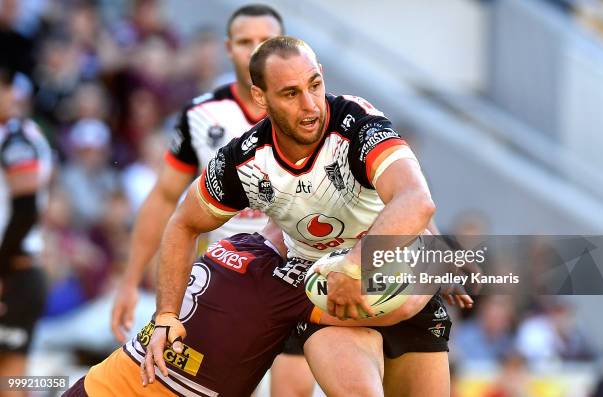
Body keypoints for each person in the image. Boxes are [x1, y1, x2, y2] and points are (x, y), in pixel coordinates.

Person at [144, 36, 467, 396]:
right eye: (291, 93)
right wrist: (166, 317)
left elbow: (415, 199)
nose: (310, 105)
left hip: (398, 279)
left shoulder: (358, 123)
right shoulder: (245, 161)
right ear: (260, 97)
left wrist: (362, 265)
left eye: (315, 84)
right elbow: (183, 223)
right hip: (328, 300)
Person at [110, 4, 317, 396]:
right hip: (223, 282)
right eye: (244, 41)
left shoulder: (313, 113)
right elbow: (165, 199)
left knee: (293, 389)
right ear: (228, 48)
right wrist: (129, 279)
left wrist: (432, 262)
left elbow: (389, 186)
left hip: (296, 273)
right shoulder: (201, 113)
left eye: (265, 41)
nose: (255, 50)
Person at [64, 223, 424, 396]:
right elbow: (401, 308)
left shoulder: (237, 242)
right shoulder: (289, 287)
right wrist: (441, 264)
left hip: (98, 384)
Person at [0, 64, 52, 397]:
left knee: (10, 377)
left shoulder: (17, 137)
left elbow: (26, 207)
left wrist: (1, 266)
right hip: (13, 268)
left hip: (13, 270)